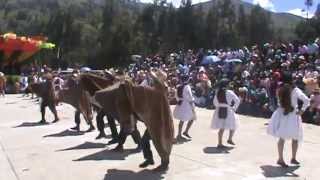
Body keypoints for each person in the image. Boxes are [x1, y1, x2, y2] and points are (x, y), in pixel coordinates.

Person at [267, 73, 310, 167]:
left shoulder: (279, 89)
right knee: (295, 137)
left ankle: (280, 159)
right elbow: (306, 100)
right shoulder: (295, 90)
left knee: (282, 137)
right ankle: (293, 158)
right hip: (292, 115)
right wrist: (302, 111)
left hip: (282, 113)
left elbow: (279, 102)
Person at [211, 79, 240, 148]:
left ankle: (220, 143)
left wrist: (219, 106)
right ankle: (229, 139)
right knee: (233, 124)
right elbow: (237, 100)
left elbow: (215, 102)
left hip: (219, 109)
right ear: (227, 85)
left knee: (222, 127)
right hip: (228, 110)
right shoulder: (230, 92)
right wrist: (234, 108)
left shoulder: (218, 92)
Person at [173, 75, 196, 140]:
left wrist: (180, 100)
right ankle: (184, 132)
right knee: (192, 118)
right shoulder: (187, 87)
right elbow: (190, 96)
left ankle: (180, 133)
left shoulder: (178, 87)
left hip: (180, 104)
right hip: (187, 104)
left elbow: (176, 96)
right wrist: (192, 105)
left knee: (182, 120)